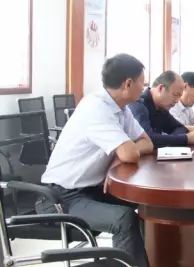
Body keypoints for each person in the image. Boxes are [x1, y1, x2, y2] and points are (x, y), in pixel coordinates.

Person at [38, 54, 153, 267]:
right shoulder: (96, 108)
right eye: (142, 82)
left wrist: (116, 159)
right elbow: (130, 154)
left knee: (150, 202)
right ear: (128, 83)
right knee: (124, 218)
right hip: (60, 198)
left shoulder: (120, 108)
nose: (145, 87)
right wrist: (122, 154)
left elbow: (147, 143)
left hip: (92, 190)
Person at [129, 71, 194, 147]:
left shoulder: (162, 107)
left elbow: (180, 128)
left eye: (179, 96)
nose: (177, 101)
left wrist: (167, 139)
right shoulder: (138, 104)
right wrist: (186, 138)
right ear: (160, 88)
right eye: (175, 95)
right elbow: (148, 139)